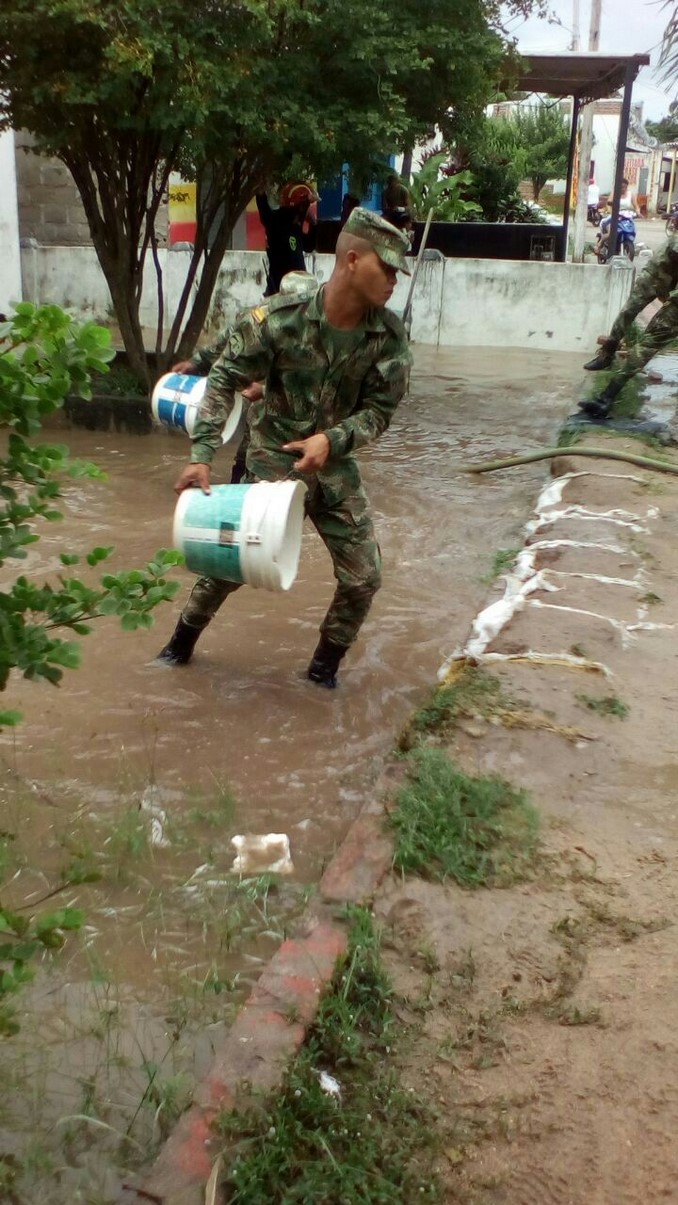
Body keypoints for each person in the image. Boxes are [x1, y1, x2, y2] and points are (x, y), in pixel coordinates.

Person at [156, 208, 413, 688]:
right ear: (353, 260)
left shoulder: (389, 338)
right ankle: (178, 648)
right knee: (226, 571)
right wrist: (201, 455)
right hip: (271, 465)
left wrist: (331, 440)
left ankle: (322, 674)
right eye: (388, 266)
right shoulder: (278, 320)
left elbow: (380, 413)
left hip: (334, 469)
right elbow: (225, 376)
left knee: (364, 578)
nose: (395, 279)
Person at [170, 272, 318, 483]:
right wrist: (196, 362)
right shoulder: (262, 317)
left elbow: (315, 390)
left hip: (293, 420)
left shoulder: (318, 334)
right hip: (260, 415)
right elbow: (228, 341)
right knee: (247, 458)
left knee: (293, 471)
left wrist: (264, 391)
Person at [579, 233, 678, 420]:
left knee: (647, 345)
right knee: (628, 312)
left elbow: (675, 251)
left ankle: (606, 398)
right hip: (657, 276)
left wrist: (670, 296)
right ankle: (607, 354)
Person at [256, 182, 318, 297]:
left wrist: (313, 224)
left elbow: (309, 246)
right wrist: (260, 194)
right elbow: (265, 214)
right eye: (306, 205)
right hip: (280, 293)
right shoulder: (277, 223)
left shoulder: (295, 227)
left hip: (299, 291)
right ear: (300, 207)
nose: (308, 209)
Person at [595, 178, 639, 259]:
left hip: (626, 217)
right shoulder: (614, 193)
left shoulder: (631, 194)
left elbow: (636, 206)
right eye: (621, 187)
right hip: (614, 217)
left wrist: (638, 213)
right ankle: (599, 245)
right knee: (610, 233)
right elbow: (609, 204)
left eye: (625, 187)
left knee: (631, 230)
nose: (623, 189)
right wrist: (611, 210)